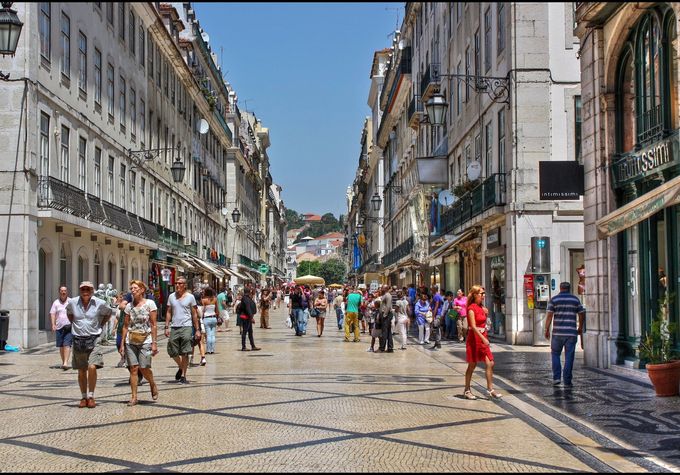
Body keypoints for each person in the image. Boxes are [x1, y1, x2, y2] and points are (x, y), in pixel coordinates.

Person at [66, 281, 113, 409]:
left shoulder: (99, 303)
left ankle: (91, 396)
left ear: (92, 290)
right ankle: (83, 397)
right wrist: (77, 326)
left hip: (94, 338)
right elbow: (69, 314)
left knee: (92, 366)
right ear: (80, 290)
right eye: (83, 289)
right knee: (81, 370)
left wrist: (100, 324)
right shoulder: (73, 302)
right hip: (78, 339)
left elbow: (108, 313)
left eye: (88, 289)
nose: (85, 291)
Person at [119, 280, 159, 406]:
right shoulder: (128, 307)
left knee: (144, 367)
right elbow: (125, 326)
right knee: (133, 369)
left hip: (146, 340)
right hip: (130, 340)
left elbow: (153, 325)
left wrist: (154, 343)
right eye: (131, 288)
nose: (133, 290)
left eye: (135, 288)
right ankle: (134, 397)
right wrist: (122, 344)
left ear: (142, 290)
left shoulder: (150, 304)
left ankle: (152, 383)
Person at [463, 285, 501, 400]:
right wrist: (483, 338)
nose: (484, 295)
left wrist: (486, 314)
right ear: (475, 295)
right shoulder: (471, 309)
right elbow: (473, 327)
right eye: (481, 293)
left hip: (483, 336)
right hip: (474, 339)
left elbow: (484, 323)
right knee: (472, 364)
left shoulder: (482, 308)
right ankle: (467, 389)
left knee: (490, 363)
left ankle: (490, 389)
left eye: (484, 293)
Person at [545, 282, 586, 387]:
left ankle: (556, 378)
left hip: (557, 333)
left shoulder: (554, 300)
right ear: (569, 288)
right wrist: (580, 327)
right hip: (571, 333)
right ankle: (567, 381)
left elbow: (549, 315)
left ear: (560, 288)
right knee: (569, 357)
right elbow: (582, 314)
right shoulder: (575, 300)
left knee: (555, 354)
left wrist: (546, 329)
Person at [165, 277, 201, 385]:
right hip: (174, 326)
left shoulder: (191, 297)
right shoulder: (171, 296)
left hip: (187, 326)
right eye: (176, 283)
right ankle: (181, 366)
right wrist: (166, 326)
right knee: (172, 350)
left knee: (185, 352)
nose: (177, 285)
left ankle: (183, 376)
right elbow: (168, 312)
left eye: (180, 283)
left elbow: (194, 314)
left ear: (184, 285)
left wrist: (197, 329)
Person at [50, 286, 72, 370]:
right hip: (59, 327)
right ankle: (63, 361)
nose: (63, 292)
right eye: (62, 291)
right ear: (59, 292)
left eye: (65, 291)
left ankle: (66, 362)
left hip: (69, 326)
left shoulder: (70, 301)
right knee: (61, 346)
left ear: (67, 292)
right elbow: (52, 313)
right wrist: (53, 324)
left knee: (67, 344)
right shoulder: (56, 302)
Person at [201, 287, 218, 360]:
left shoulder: (204, 300)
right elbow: (217, 309)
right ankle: (212, 349)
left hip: (207, 318)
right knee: (213, 334)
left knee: (208, 335)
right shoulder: (215, 299)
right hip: (214, 318)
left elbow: (203, 310)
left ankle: (208, 350)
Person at [379, 285, 394, 352]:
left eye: (382, 288)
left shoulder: (388, 295)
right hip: (385, 314)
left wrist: (384, 314)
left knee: (385, 331)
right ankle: (390, 347)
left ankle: (382, 347)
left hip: (387, 315)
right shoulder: (385, 295)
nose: (381, 289)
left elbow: (388, 306)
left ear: (385, 289)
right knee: (387, 332)